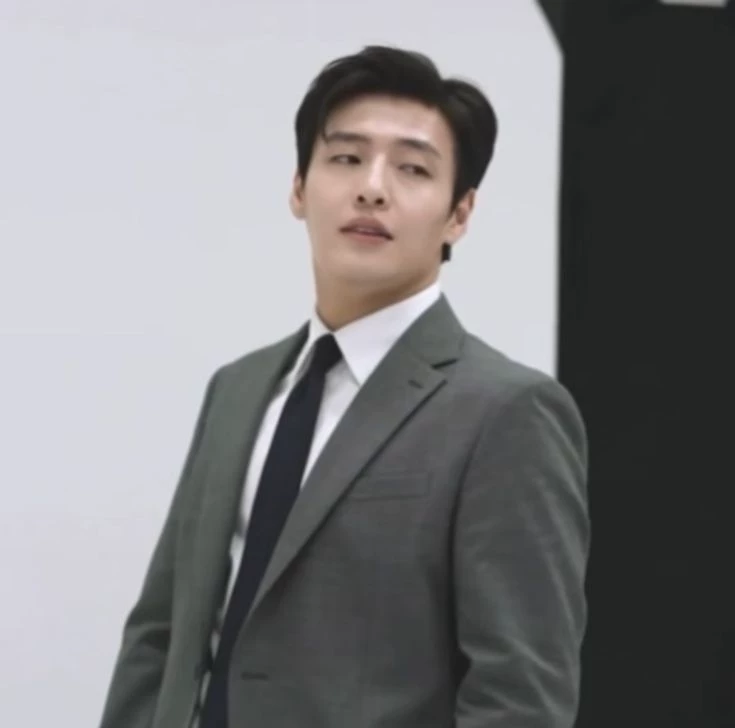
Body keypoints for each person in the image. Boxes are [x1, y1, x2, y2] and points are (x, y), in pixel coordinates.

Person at [98, 45, 590, 728]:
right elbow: (161, 633)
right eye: (347, 157)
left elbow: (521, 697)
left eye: (413, 168)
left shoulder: (507, 411)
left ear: (459, 213)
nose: (372, 188)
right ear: (299, 188)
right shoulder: (237, 388)